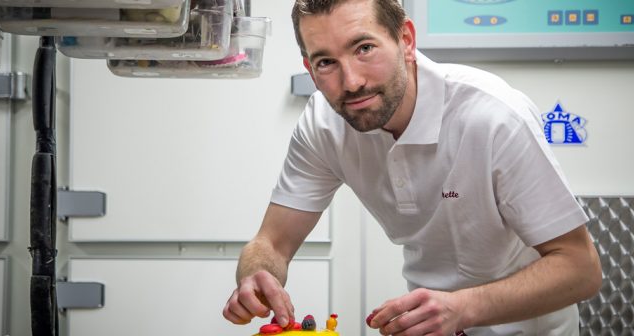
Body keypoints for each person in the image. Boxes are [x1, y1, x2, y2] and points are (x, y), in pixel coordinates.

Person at [223, 0, 602, 334]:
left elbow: (581, 269)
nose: (351, 81)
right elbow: (271, 242)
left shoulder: (493, 117)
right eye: (326, 62)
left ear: (406, 39)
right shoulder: (324, 123)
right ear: (309, 66)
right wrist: (257, 275)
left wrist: (462, 308)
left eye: (364, 48)